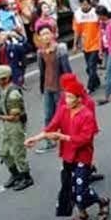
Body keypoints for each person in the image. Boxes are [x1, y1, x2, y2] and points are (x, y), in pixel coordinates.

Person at [25, 74, 110, 220]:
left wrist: (63, 137)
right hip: (67, 155)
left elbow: (85, 139)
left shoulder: (87, 114)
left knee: (80, 190)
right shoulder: (63, 110)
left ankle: (101, 201)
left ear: (78, 98)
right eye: (66, 97)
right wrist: (36, 138)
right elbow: (52, 125)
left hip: (82, 157)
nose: (67, 100)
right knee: (71, 187)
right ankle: (83, 214)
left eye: (70, 97)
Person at [0, 65, 33, 192]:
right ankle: (15, 174)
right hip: (6, 125)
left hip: (15, 126)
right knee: (3, 152)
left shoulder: (13, 94)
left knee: (18, 152)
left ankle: (26, 177)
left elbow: (15, 117)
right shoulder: (1, 89)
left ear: (6, 78)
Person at [35, 24, 72, 153]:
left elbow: (67, 69)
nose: (45, 36)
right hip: (48, 87)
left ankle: (69, 139)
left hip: (60, 87)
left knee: (63, 114)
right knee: (48, 115)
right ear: (39, 37)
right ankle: (49, 141)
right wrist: (42, 87)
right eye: (42, 34)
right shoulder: (40, 53)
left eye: (47, 33)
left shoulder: (60, 49)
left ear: (52, 34)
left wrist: (70, 87)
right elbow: (42, 71)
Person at [72, 0, 101, 93]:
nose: (84, 6)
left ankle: (89, 87)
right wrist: (75, 44)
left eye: (86, 4)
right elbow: (77, 31)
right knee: (88, 68)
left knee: (92, 66)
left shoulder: (95, 12)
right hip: (85, 44)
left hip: (96, 43)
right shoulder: (77, 14)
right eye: (82, 4)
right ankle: (96, 81)